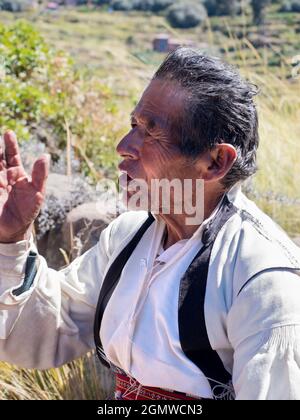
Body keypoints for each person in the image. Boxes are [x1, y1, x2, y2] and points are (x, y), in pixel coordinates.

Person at [0, 47, 300, 400]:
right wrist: (12, 239)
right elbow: (49, 333)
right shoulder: (128, 237)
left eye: (151, 133)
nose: (124, 146)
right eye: (132, 126)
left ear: (216, 161)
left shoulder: (262, 281)